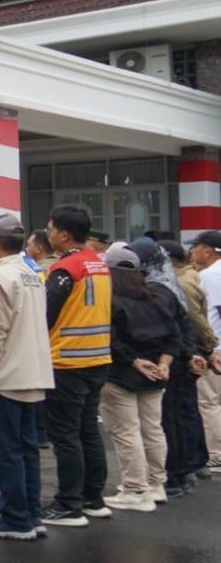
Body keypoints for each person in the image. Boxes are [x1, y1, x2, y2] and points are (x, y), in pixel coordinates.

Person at [0, 214, 52, 540]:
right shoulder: (32, 274)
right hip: (35, 372)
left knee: (3, 450)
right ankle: (31, 514)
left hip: (8, 376)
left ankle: (15, 517)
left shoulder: (2, 277)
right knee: (27, 449)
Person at [98, 242, 186, 511]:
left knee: (126, 432)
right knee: (152, 429)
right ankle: (156, 484)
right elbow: (175, 335)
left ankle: (135, 489)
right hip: (156, 374)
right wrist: (164, 363)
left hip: (122, 374)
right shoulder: (155, 297)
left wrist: (136, 362)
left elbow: (110, 340)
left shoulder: (110, 301)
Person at [40, 203, 113, 527]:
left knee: (66, 435)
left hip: (68, 360)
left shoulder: (65, 269)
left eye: (51, 228)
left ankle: (69, 504)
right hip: (98, 358)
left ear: (64, 234)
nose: (48, 233)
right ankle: (92, 498)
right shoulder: (99, 264)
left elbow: (45, 315)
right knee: (88, 431)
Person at [163, 238, 214, 491]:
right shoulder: (191, 277)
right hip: (194, 351)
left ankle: (192, 463)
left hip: (189, 353)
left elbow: (193, 320)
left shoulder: (180, 282)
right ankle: (195, 462)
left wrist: (209, 346)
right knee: (192, 408)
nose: (193, 251)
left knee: (192, 408)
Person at [186, 230, 221, 471]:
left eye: (195, 247)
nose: (191, 251)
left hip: (215, 346)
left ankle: (216, 452)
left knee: (209, 402)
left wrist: (213, 348)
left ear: (207, 250)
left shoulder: (210, 275)